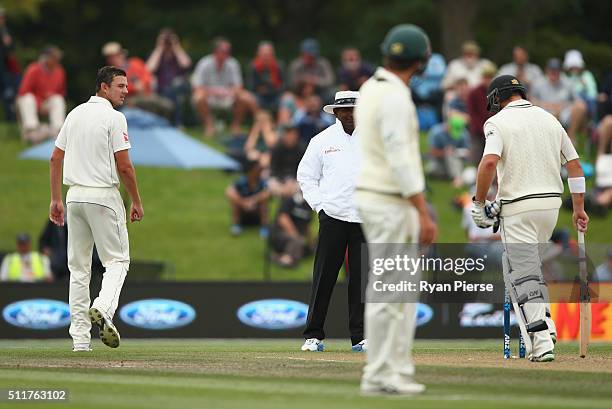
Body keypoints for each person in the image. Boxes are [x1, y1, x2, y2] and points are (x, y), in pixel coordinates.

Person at [472, 74, 588, 362]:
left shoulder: (496, 123)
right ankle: (547, 327)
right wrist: (578, 208)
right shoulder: (550, 119)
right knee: (531, 269)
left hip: (519, 207)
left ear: (497, 98)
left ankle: (541, 341)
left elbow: (488, 162)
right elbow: (574, 165)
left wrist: (479, 202)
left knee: (522, 274)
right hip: (550, 206)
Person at [355, 24, 438, 396]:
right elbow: (400, 157)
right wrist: (422, 210)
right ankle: (380, 374)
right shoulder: (395, 97)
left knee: (397, 290)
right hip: (389, 200)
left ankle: (396, 369)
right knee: (391, 290)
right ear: (421, 61)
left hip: (379, 196)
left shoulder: (371, 88)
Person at [49, 66, 144, 352]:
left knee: (78, 269)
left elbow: (55, 158)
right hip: (103, 195)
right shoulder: (115, 118)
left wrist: (55, 199)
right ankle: (103, 307)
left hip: (74, 197)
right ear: (104, 87)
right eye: (120, 86)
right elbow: (124, 166)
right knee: (117, 261)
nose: (126, 91)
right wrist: (137, 200)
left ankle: (80, 340)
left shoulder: (74, 114)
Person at [296, 90, 366, 353]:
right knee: (324, 277)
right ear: (335, 112)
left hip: (364, 218)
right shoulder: (321, 140)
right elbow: (306, 176)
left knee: (362, 280)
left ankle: (361, 338)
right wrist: (320, 206)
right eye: (344, 109)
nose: (349, 114)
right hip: (333, 217)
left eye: (354, 109)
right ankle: (313, 335)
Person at [191, 37, 258, 137]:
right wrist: (216, 91)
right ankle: (209, 126)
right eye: (223, 51)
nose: (226, 53)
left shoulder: (233, 63)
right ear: (215, 51)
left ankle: (237, 126)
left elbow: (239, 86)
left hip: (228, 97)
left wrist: (228, 92)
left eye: (228, 51)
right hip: (209, 97)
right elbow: (196, 86)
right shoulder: (204, 63)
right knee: (198, 96)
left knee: (246, 97)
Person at [102, 41, 173, 118]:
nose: (114, 59)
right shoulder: (110, 73)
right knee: (147, 104)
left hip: (146, 95)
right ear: (108, 59)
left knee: (168, 105)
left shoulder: (135, 63)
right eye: (111, 57)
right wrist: (134, 88)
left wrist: (143, 83)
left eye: (116, 55)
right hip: (128, 100)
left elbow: (147, 76)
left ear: (122, 54)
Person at [531, 58, 588, 143]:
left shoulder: (567, 83)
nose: (553, 72)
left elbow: (578, 100)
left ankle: (570, 138)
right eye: (551, 70)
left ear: (560, 71)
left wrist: (564, 105)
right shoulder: (538, 83)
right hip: (543, 112)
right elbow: (531, 100)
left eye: (556, 70)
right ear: (546, 70)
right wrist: (546, 105)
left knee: (581, 107)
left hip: (564, 112)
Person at [16, 45, 66, 143]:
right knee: (27, 98)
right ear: (46, 58)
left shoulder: (60, 71)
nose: (57, 60)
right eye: (54, 57)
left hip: (46, 102)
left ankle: (57, 131)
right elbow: (23, 91)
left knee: (58, 99)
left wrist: (51, 95)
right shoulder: (33, 69)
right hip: (33, 101)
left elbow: (62, 92)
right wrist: (39, 101)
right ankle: (32, 130)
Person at [146, 28, 192, 126]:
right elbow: (149, 69)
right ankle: (176, 123)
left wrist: (176, 46)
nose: (167, 42)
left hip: (178, 88)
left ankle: (173, 122)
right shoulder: (156, 54)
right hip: (161, 88)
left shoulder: (177, 54)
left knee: (173, 88)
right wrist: (159, 48)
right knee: (169, 90)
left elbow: (186, 64)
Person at [225, 160, 270, 237]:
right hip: (243, 212)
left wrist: (253, 200)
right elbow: (229, 192)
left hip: (256, 212)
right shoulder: (241, 181)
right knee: (235, 203)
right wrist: (243, 202)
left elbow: (267, 193)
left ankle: (264, 227)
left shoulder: (262, 182)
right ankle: (236, 226)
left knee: (263, 204)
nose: (260, 171)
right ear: (251, 170)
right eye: (258, 169)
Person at [269, 191, 313, 268]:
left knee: (307, 247)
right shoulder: (290, 201)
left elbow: (307, 225)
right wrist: (295, 234)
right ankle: (287, 259)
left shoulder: (309, 207)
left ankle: (279, 257)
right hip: (280, 233)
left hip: (297, 237)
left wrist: (310, 242)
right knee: (298, 241)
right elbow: (282, 218)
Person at [425, 115, 470, 186]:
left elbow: (467, 152)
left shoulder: (463, 134)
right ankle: (453, 174)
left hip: (456, 160)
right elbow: (432, 152)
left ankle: (457, 178)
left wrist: (456, 152)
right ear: (448, 126)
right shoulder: (436, 132)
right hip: (439, 161)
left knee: (451, 156)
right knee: (430, 170)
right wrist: (445, 152)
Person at [467, 62, 497, 164]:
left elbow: (496, 112)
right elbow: (472, 113)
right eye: (485, 77)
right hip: (478, 131)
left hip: (493, 130)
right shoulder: (474, 93)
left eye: (490, 77)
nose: (487, 80)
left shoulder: (496, 93)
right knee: (478, 158)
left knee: (493, 157)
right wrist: (482, 128)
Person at [248, 41, 284, 111]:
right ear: (258, 54)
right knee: (253, 99)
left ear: (272, 54)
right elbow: (250, 86)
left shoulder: (279, 66)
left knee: (285, 100)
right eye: (264, 54)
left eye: (268, 54)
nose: (266, 57)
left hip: (276, 95)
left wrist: (272, 89)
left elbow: (284, 84)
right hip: (258, 95)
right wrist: (260, 89)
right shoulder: (253, 66)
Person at [268, 124, 303, 197]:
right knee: (272, 184)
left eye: (294, 134)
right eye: (289, 134)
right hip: (279, 179)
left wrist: (292, 180)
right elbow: (274, 169)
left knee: (302, 186)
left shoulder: (301, 148)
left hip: (295, 179)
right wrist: (284, 181)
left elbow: (303, 168)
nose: (291, 137)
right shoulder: (277, 148)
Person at [563, 49, 598, 117]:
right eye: (572, 67)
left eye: (576, 67)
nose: (574, 69)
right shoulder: (565, 77)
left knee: (590, 100)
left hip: (586, 102)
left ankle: (593, 123)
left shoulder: (587, 75)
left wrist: (585, 87)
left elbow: (592, 93)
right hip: (570, 101)